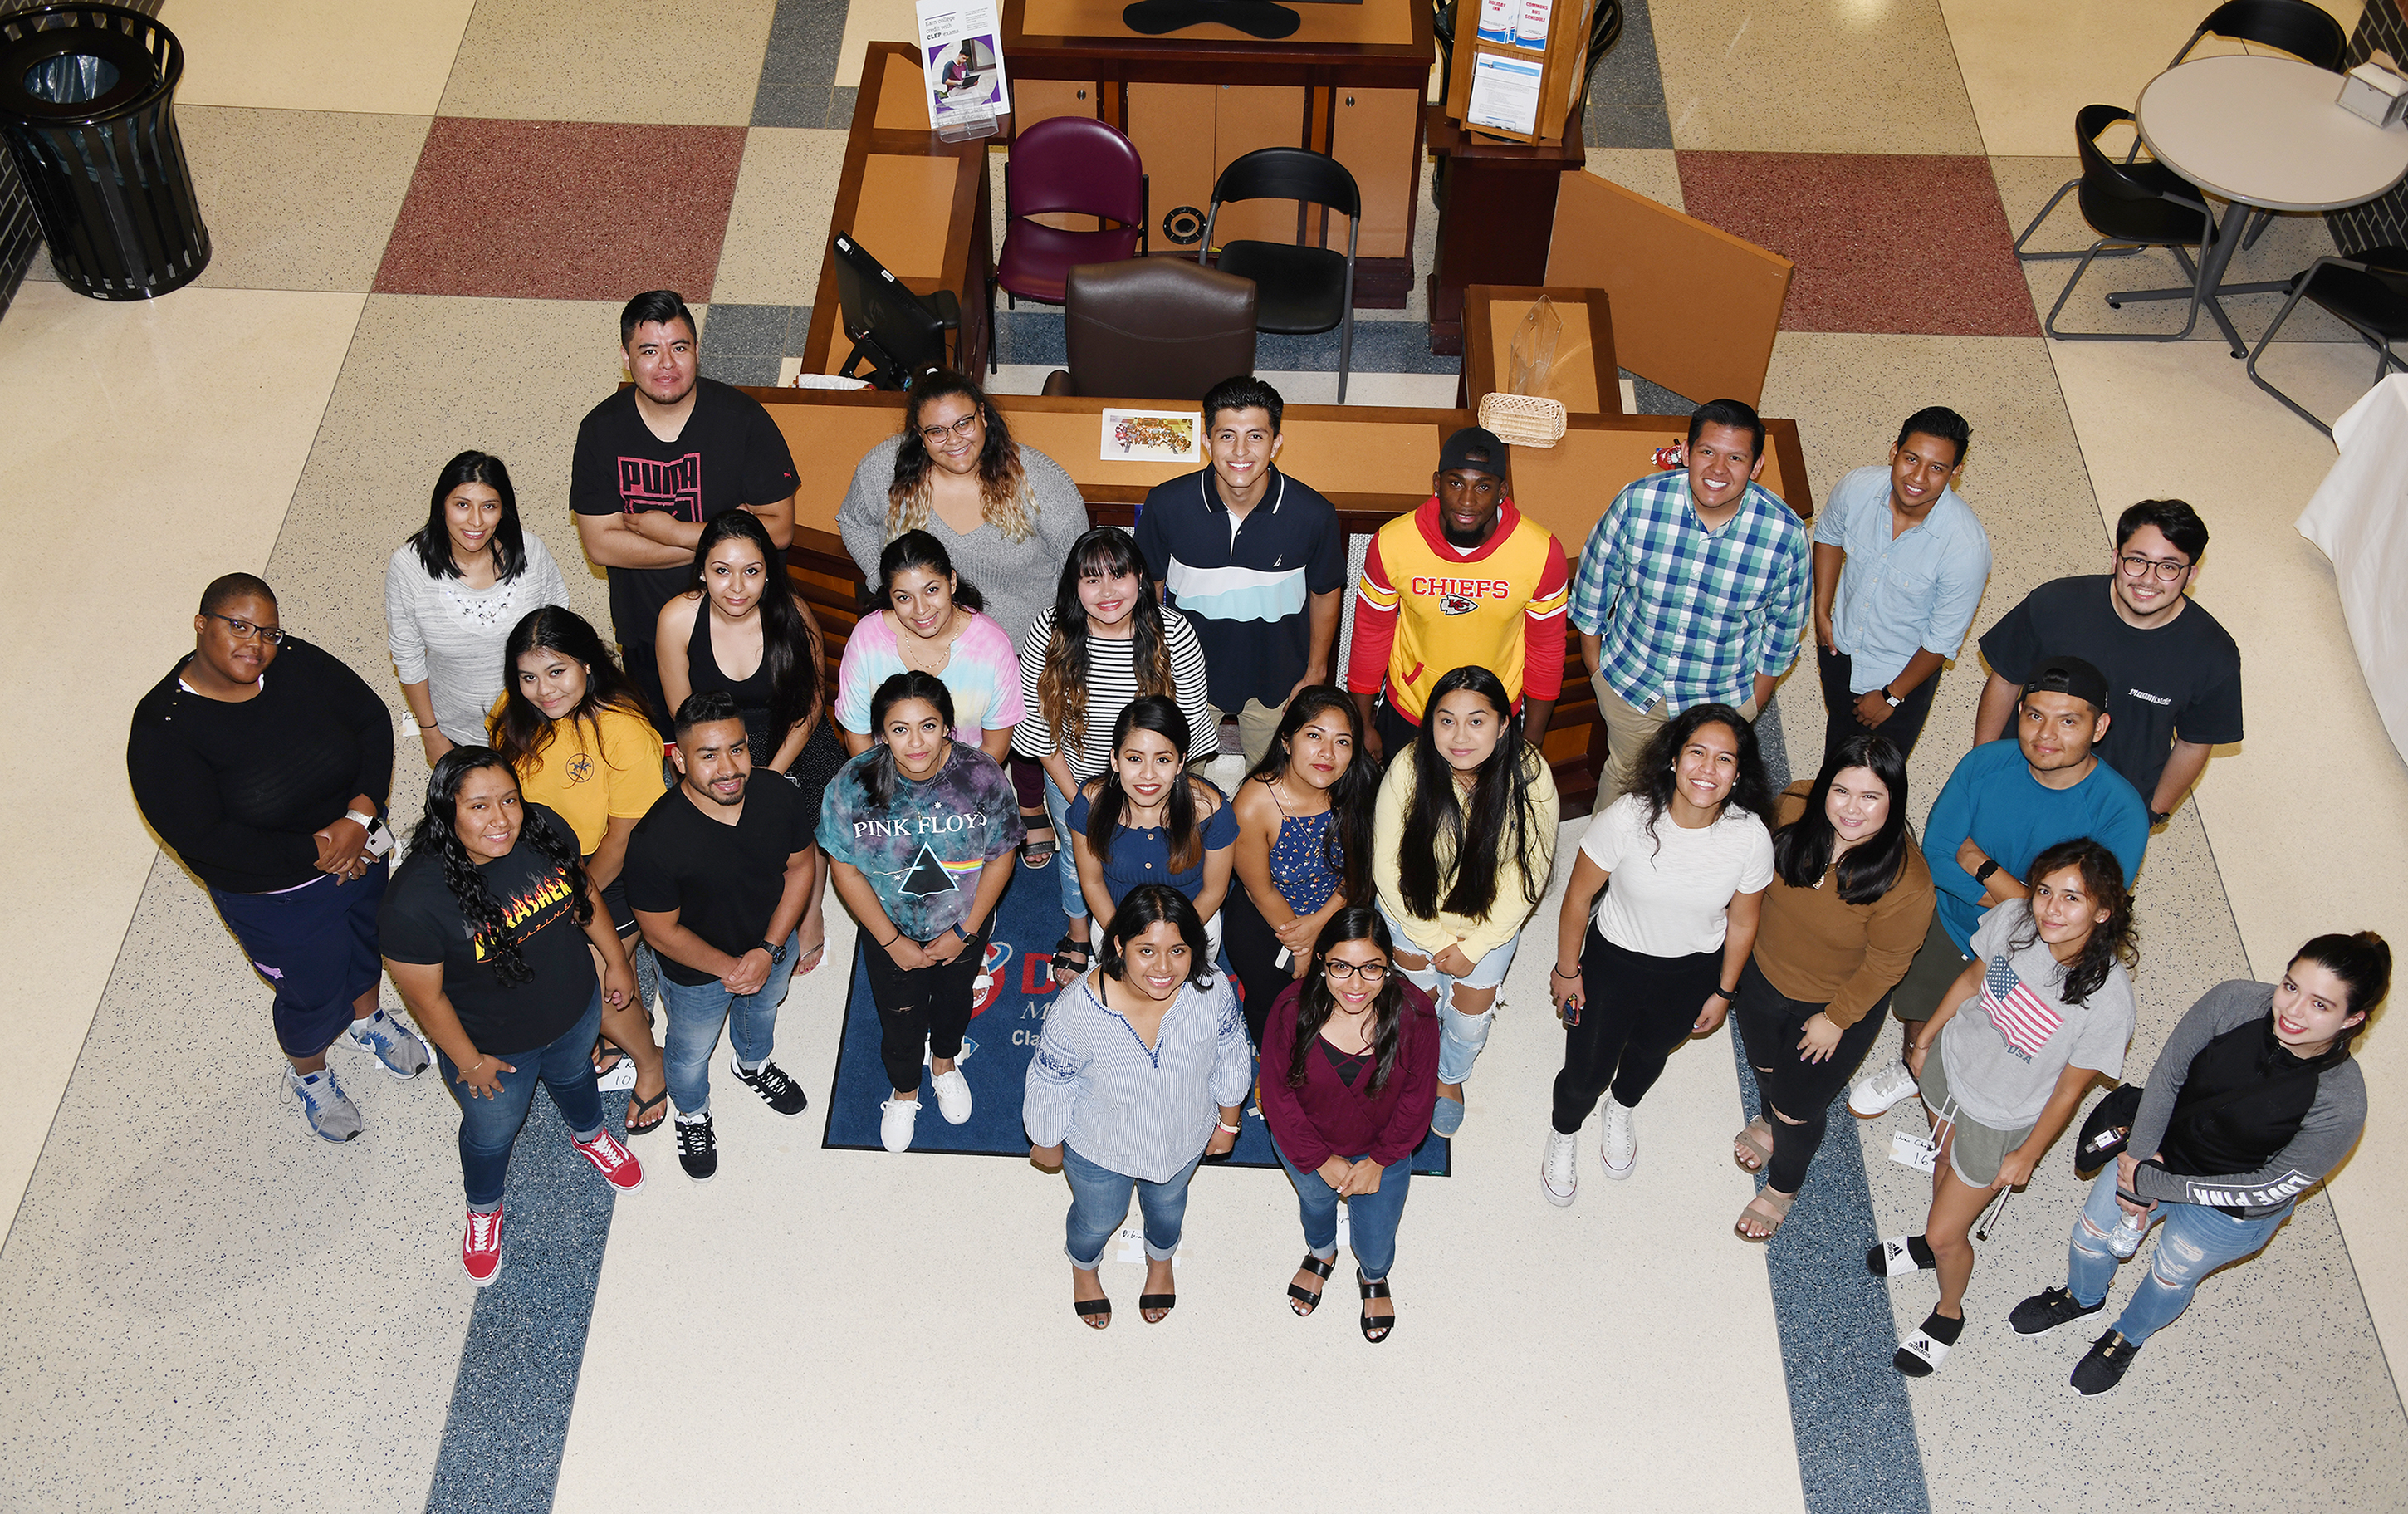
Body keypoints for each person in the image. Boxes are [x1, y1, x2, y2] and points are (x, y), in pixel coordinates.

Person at [2009, 932, 2387, 1397]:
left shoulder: (2342, 1102)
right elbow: (2168, 1076)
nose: (2291, 1010)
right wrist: (2138, 1162)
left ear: (2353, 1018)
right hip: (2155, 1154)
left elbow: (2271, 1186)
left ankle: (2127, 1336)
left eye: (2320, 1005)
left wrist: (2158, 1184)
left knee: (2171, 1274)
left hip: (2230, 1207)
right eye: (2290, 986)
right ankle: (2083, 1297)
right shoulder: (2233, 1002)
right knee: (2091, 1234)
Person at [128, 573, 425, 1143]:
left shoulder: (291, 662)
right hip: (275, 893)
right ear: (201, 624)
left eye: (267, 630)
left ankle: (368, 1020)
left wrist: (359, 819)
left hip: (361, 845)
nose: (256, 644)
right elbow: (207, 839)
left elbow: (368, 718)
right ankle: (310, 1073)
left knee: (369, 941)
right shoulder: (162, 729)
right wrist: (320, 850)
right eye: (237, 626)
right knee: (311, 989)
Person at [1869, 840, 2137, 1379]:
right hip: (1951, 1067)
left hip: (1999, 1117)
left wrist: (2029, 1154)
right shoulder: (2015, 919)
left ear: (2104, 911)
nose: (2050, 909)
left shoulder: (2108, 1001)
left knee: (1951, 1234)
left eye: (2072, 898)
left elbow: (2068, 1089)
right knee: (1943, 1163)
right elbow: (1972, 980)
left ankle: (1949, 1311)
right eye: (2043, 890)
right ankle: (1926, 1241)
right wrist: (1925, 1042)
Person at [379, 750, 645, 1285]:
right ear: (446, 813)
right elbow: (426, 1000)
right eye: (478, 806)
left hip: (574, 1008)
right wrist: (469, 1062)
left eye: (508, 799)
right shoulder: (415, 900)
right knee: (491, 1133)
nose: (500, 819)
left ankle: (590, 1136)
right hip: (492, 1049)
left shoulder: (542, 827)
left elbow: (584, 891)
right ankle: (483, 1210)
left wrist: (616, 961)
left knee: (576, 1076)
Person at [1850, 656, 2150, 1118]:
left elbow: (2081, 913)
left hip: (2036, 954)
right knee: (1922, 1014)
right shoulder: (1984, 764)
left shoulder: (2122, 813)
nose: (2045, 735)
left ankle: (1955, 1113)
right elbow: (1938, 859)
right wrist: (2032, 898)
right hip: (1952, 923)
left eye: (2068, 721)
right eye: (2034, 716)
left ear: (2100, 726)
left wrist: (1983, 867)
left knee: (1999, 1040)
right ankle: (1916, 1072)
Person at [838, 370, 1089, 860]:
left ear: (985, 420)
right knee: (934, 719)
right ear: (918, 435)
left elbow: (1076, 558)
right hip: (928, 625)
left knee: (1027, 721)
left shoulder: (1034, 476)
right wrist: (889, 585)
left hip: (1027, 635)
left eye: (964, 424)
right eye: (935, 431)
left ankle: (1030, 803)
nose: (953, 440)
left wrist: (1061, 631)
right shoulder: (885, 471)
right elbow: (853, 521)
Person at [1544, 703, 1774, 1203]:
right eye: (1696, 753)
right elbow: (1579, 897)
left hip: (1692, 972)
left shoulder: (1749, 836)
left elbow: (1744, 920)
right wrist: (1567, 971)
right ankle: (1564, 1131)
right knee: (1586, 1068)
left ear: (1738, 774)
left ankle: (1622, 1107)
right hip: (1615, 963)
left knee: (1651, 1054)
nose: (1708, 770)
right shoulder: (1628, 816)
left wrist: (1724, 991)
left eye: (1724, 760)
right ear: (1673, 758)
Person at [1730, 735, 1935, 1241]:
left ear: (1894, 802)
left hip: (1832, 1007)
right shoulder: (1793, 806)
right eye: (1842, 790)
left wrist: (1836, 1019)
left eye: (1871, 797)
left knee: (1796, 1109)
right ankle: (1766, 1118)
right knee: (1765, 1066)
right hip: (1761, 975)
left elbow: (1888, 964)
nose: (1852, 810)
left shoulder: (1907, 884)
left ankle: (1783, 1186)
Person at [570, 290, 801, 731]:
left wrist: (672, 531)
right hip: (647, 628)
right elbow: (601, 545)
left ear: (697, 349)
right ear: (625, 356)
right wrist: (725, 544)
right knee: (675, 742)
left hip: (748, 623)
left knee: (761, 740)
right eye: (649, 351)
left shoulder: (744, 419)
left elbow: (780, 530)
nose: (667, 365)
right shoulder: (600, 431)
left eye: (679, 348)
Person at [1024, 885, 1253, 1329]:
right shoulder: (1076, 1012)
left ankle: (1161, 1260)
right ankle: (1084, 1266)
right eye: (1146, 950)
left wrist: (1228, 1120)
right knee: (1098, 1218)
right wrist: (1046, 1140)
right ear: (1118, 945)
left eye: (1178, 950)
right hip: (1099, 1147)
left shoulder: (1213, 992)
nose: (1164, 968)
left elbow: (1231, 1051)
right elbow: (1051, 1081)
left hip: (1181, 1137)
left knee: (1168, 1211)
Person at [1567, 398, 1811, 801]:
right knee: (1625, 787)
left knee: (1699, 802)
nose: (1718, 470)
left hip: (1721, 699)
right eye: (1707, 452)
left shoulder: (1785, 535)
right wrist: (1598, 670)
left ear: (1757, 466)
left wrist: (1752, 702)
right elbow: (1593, 589)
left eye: (1735, 458)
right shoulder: (1637, 503)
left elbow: (1783, 633)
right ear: (1684, 452)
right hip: (1632, 684)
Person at [820, 672, 1023, 1154]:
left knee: (955, 1003)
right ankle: (905, 1089)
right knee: (899, 1016)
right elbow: (843, 870)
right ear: (880, 733)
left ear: (949, 727)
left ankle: (946, 1063)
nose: (915, 742)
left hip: (964, 923)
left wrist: (966, 932)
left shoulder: (981, 776)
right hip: (888, 927)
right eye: (899, 729)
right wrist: (892, 942)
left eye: (928, 726)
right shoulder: (853, 784)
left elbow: (1001, 855)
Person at [623, 690, 817, 1182]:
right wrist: (733, 969)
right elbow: (661, 933)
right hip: (696, 975)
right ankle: (692, 1114)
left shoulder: (779, 794)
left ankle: (751, 1066)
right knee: (688, 1052)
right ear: (679, 759)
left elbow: (800, 867)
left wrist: (769, 950)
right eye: (707, 756)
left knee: (764, 1008)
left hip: (772, 946)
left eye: (736, 748)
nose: (728, 767)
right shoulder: (653, 841)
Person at [491, 606, 671, 1134]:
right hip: (541, 873)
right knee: (589, 983)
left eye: (556, 671)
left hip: (610, 877)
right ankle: (619, 1038)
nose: (543, 690)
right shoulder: (513, 712)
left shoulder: (623, 731)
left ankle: (651, 1060)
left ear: (587, 665)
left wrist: (569, 902)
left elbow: (621, 840)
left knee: (592, 991)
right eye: (528, 676)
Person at [1015, 527, 1215, 982]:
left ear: (1140, 577)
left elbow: (1191, 727)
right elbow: (1038, 729)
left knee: (1156, 854)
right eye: (1091, 579)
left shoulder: (1174, 633)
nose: (1106, 592)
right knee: (1075, 855)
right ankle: (1080, 930)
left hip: (1154, 778)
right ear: (1074, 586)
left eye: (1118, 575)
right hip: (1073, 774)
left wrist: (1165, 788)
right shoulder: (1050, 630)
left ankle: (1158, 926)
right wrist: (1083, 799)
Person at [1974, 497, 2242, 827]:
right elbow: (2004, 681)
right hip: (2017, 779)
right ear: (2116, 557)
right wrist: (1981, 768)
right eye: (2137, 560)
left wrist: (2151, 811)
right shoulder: (2055, 604)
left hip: (2106, 813)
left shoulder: (2213, 655)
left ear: (2191, 574)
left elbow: (2193, 743)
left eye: (2169, 567)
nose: (2148, 579)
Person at [655, 510, 844, 973]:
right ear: (702, 570)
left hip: (791, 738)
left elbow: (812, 705)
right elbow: (685, 719)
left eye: (752, 571)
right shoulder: (678, 617)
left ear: (768, 572)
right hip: (715, 744)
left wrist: (773, 774)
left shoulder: (794, 615)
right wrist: (726, 768)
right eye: (722, 571)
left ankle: (810, 908)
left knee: (805, 815)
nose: (736, 587)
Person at [1373, 665, 1559, 1139]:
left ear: (1503, 724)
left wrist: (1473, 948)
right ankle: (1417, 1065)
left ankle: (1449, 1079)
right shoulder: (1409, 766)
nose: (1459, 737)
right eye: (1446, 720)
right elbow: (1388, 870)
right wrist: (1436, 940)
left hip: (1489, 926)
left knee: (1469, 1023)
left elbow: (1528, 876)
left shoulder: (1531, 775)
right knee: (1419, 1007)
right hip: (1412, 917)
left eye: (1477, 721)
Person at [1136, 375, 1346, 769]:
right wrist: (1153, 663)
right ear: (1206, 440)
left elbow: (1325, 592)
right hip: (1186, 678)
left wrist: (1316, 670)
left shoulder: (1313, 514)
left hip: (1279, 677)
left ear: (1276, 443)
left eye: (1255, 436)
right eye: (1227, 435)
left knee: (1276, 784)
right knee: (1178, 783)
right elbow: (1150, 589)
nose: (1240, 451)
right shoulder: (1166, 504)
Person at [1257, 909, 1440, 1343]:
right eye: (1341, 967)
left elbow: (1418, 1101)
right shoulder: (1289, 1008)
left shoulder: (1416, 1014)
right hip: (1306, 1144)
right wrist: (1319, 1159)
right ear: (1321, 962)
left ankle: (1374, 1275)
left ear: (1389, 967)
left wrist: (1380, 1160)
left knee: (1378, 1233)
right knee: (1315, 1206)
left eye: (1371, 968)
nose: (1355, 984)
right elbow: (1277, 1095)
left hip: (1383, 1151)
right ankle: (1321, 1252)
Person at [1345, 425, 1569, 766]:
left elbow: (1546, 649)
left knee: (1480, 814)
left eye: (1482, 486)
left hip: (1492, 714)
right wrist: (1363, 722)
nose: (1467, 500)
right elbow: (1372, 634)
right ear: (1437, 484)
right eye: (1455, 483)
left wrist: (1533, 736)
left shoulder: (1541, 553)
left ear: (1502, 491)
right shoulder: (1392, 543)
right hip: (1412, 707)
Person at [1809, 407, 1990, 765]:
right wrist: (1821, 609)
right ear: (1894, 451)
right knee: (1839, 744)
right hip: (1840, 649)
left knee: (1878, 772)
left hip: (1901, 677)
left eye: (1937, 468)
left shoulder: (1966, 549)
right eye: (1911, 459)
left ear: (1956, 472)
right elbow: (1828, 537)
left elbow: (1941, 641)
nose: (1918, 478)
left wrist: (1891, 697)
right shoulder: (1856, 488)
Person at [385, 450, 570, 763]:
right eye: (462, 505)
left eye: (489, 507)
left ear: (503, 510)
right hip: (456, 731)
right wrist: (431, 734)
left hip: (537, 721)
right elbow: (408, 656)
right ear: (441, 506)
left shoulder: (532, 553)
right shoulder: (408, 566)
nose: (476, 521)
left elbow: (558, 632)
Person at [1226, 688, 1378, 1046]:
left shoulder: (1359, 788)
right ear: (1286, 741)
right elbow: (1259, 889)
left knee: (1354, 987)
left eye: (1342, 741)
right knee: (1272, 998)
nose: (1327, 754)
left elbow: (1361, 872)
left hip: (1339, 903)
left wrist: (1321, 922)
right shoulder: (1253, 804)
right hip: (1272, 912)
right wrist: (1302, 946)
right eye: (1314, 736)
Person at [834, 530, 1022, 765]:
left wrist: (948, 796)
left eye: (931, 590)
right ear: (890, 596)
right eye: (904, 597)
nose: (921, 609)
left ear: (951, 581)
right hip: (887, 783)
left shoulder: (992, 645)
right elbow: (858, 736)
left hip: (965, 786)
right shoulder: (867, 638)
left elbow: (995, 747)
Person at [1069, 697, 1237, 949]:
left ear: (1180, 763)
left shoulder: (1211, 813)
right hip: (1114, 925)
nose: (1148, 775)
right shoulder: (1091, 805)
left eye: (1162, 760)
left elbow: (1214, 892)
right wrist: (1123, 941)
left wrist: (1171, 945)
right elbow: (1092, 883)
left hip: (1190, 927)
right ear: (1115, 760)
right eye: (1135, 759)